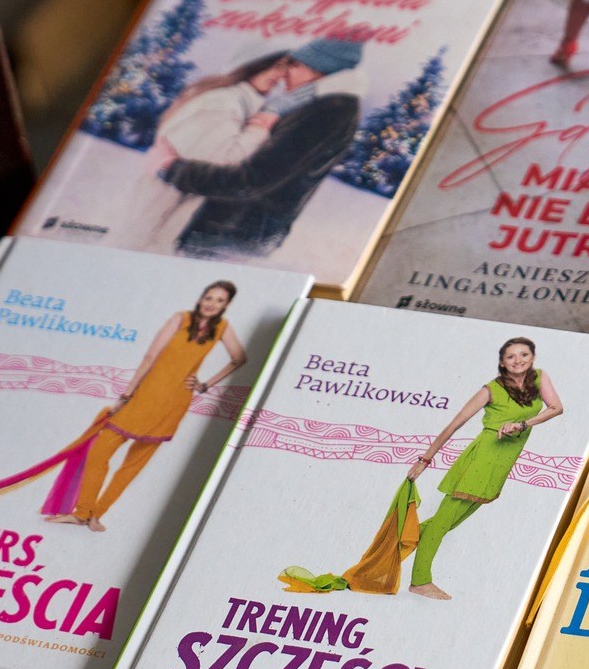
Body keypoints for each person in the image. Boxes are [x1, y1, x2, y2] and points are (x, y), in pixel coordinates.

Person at [57, 280, 246, 532]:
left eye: (219, 300)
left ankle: (94, 515)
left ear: (227, 305)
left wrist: (204, 385)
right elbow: (150, 357)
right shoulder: (181, 318)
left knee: (133, 463)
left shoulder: (222, 327)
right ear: (201, 298)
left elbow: (239, 358)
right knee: (100, 453)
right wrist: (127, 395)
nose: (212, 304)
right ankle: (85, 513)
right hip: (145, 397)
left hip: (173, 403)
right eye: (209, 297)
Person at [161, 38, 366, 260]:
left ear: (320, 70)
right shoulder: (318, 105)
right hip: (237, 230)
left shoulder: (326, 112)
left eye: (295, 65)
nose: (285, 73)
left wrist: (174, 168)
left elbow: (250, 181)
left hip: (231, 235)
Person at [404, 338, 564, 599]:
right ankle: (420, 581)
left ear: (532, 357)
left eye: (524, 354)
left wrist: (523, 424)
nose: (518, 360)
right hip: (482, 459)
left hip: (500, 464)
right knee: (442, 523)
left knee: (448, 523)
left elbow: (556, 408)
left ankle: (386, 550)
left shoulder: (539, 378)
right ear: (502, 362)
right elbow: (455, 424)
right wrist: (425, 460)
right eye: (511, 356)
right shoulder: (491, 390)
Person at [116, 51, 289, 250]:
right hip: (164, 202)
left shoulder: (239, 101)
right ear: (255, 62)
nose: (280, 74)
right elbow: (223, 160)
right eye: (276, 65)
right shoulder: (225, 101)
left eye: (286, 68)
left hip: (169, 198)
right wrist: (258, 130)